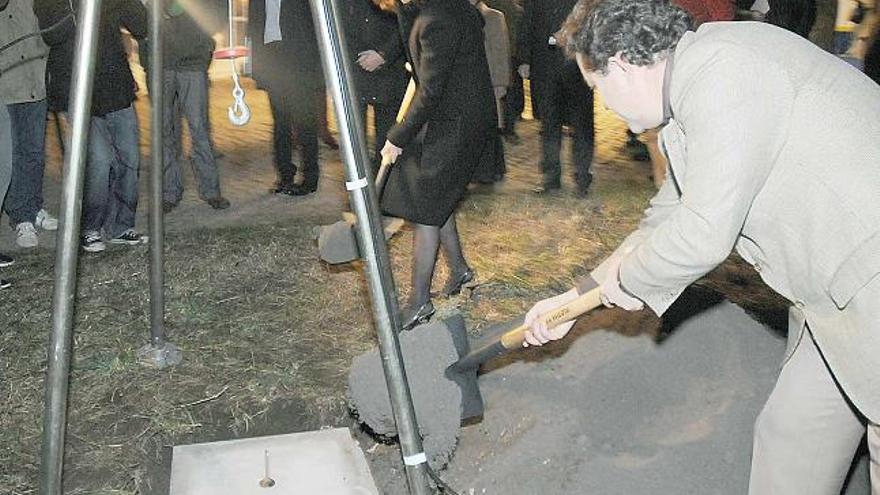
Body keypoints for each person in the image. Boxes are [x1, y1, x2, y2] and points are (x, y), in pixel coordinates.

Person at [523, 0, 880, 493]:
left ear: (623, 66)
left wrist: (627, 283)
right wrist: (577, 294)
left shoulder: (725, 70)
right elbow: (668, 214)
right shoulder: (689, 97)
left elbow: (703, 230)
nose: (604, 105)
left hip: (869, 281)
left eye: (598, 88)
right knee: (793, 436)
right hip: (834, 301)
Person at [380, 0, 496, 330]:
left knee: (426, 209)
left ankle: (418, 303)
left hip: (458, 123)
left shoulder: (437, 19)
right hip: (456, 117)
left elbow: (431, 89)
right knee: (435, 198)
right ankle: (459, 271)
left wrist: (398, 136)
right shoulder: (444, 9)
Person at [36, 0, 149, 253]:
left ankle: (121, 226)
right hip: (76, 87)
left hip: (116, 85)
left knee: (129, 158)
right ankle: (90, 227)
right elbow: (52, 34)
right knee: (99, 160)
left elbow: (140, 26)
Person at [141, 0, 230, 213]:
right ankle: (169, 192)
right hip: (160, 60)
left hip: (192, 61)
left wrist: (200, 42)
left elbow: (218, 17)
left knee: (198, 128)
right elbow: (140, 17)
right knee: (164, 130)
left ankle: (210, 191)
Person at [517, 0, 595, 196]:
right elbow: (527, 23)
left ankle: (582, 176)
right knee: (549, 124)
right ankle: (550, 177)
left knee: (582, 125)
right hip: (546, 68)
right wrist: (524, 58)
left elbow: (594, 24)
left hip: (578, 69)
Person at [248, 0, 324, 196]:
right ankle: (284, 175)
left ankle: (309, 178)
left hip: (299, 60)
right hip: (272, 59)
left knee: (305, 121)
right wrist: (256, 67)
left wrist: (315, 65)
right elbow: (254, 26)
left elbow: (315, 23)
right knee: (280, 122)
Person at [0, 0, 58, 249]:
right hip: (7, 81)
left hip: (35, 76)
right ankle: (21, 216)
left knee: (33, 152)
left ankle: (32, 207)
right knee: (10, 157)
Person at [340, 0, 408, 168]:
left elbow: (407, 22)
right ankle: (359, 186)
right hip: (354, 69)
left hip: (389, 72)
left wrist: (384, 55)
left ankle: (382, 186)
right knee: (354, 137)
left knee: (387, 139)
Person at [470, 0, 509, 184]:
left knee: (492, 126)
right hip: (473, 79)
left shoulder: (493, 17)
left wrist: (501, 82)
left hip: (490, 79)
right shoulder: (461, 15)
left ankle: (494, 168)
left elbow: (501, 50)